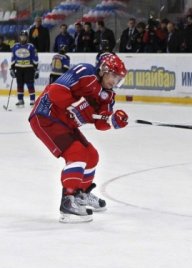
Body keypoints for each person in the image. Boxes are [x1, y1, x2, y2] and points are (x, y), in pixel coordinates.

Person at [28, 54, 129, 223]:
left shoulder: (108, 95)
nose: (115, 81)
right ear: (104, 70)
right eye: (114, 76)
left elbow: (100, 123)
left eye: (119, 78)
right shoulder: (85, 72)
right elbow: (55, 91)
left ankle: (81, 194)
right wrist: (78, 106)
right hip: (46, 115)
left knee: (91, 155)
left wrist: (112, 121)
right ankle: (68, 200)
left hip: (66, 123)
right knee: (77, 154)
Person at [10, 31, 39, 107]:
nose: (23, 38)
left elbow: (35, 58)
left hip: (29, 68)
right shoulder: (15, 46)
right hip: (18, 68)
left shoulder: (31, 46)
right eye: (21, 36)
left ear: (27, 37)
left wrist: (36, 69)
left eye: (24, 36)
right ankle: (20, 100)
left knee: (30, 85)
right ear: (19, 37)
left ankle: (32, 101)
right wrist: (11, 69)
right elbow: (13, 58)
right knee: (19, 85)